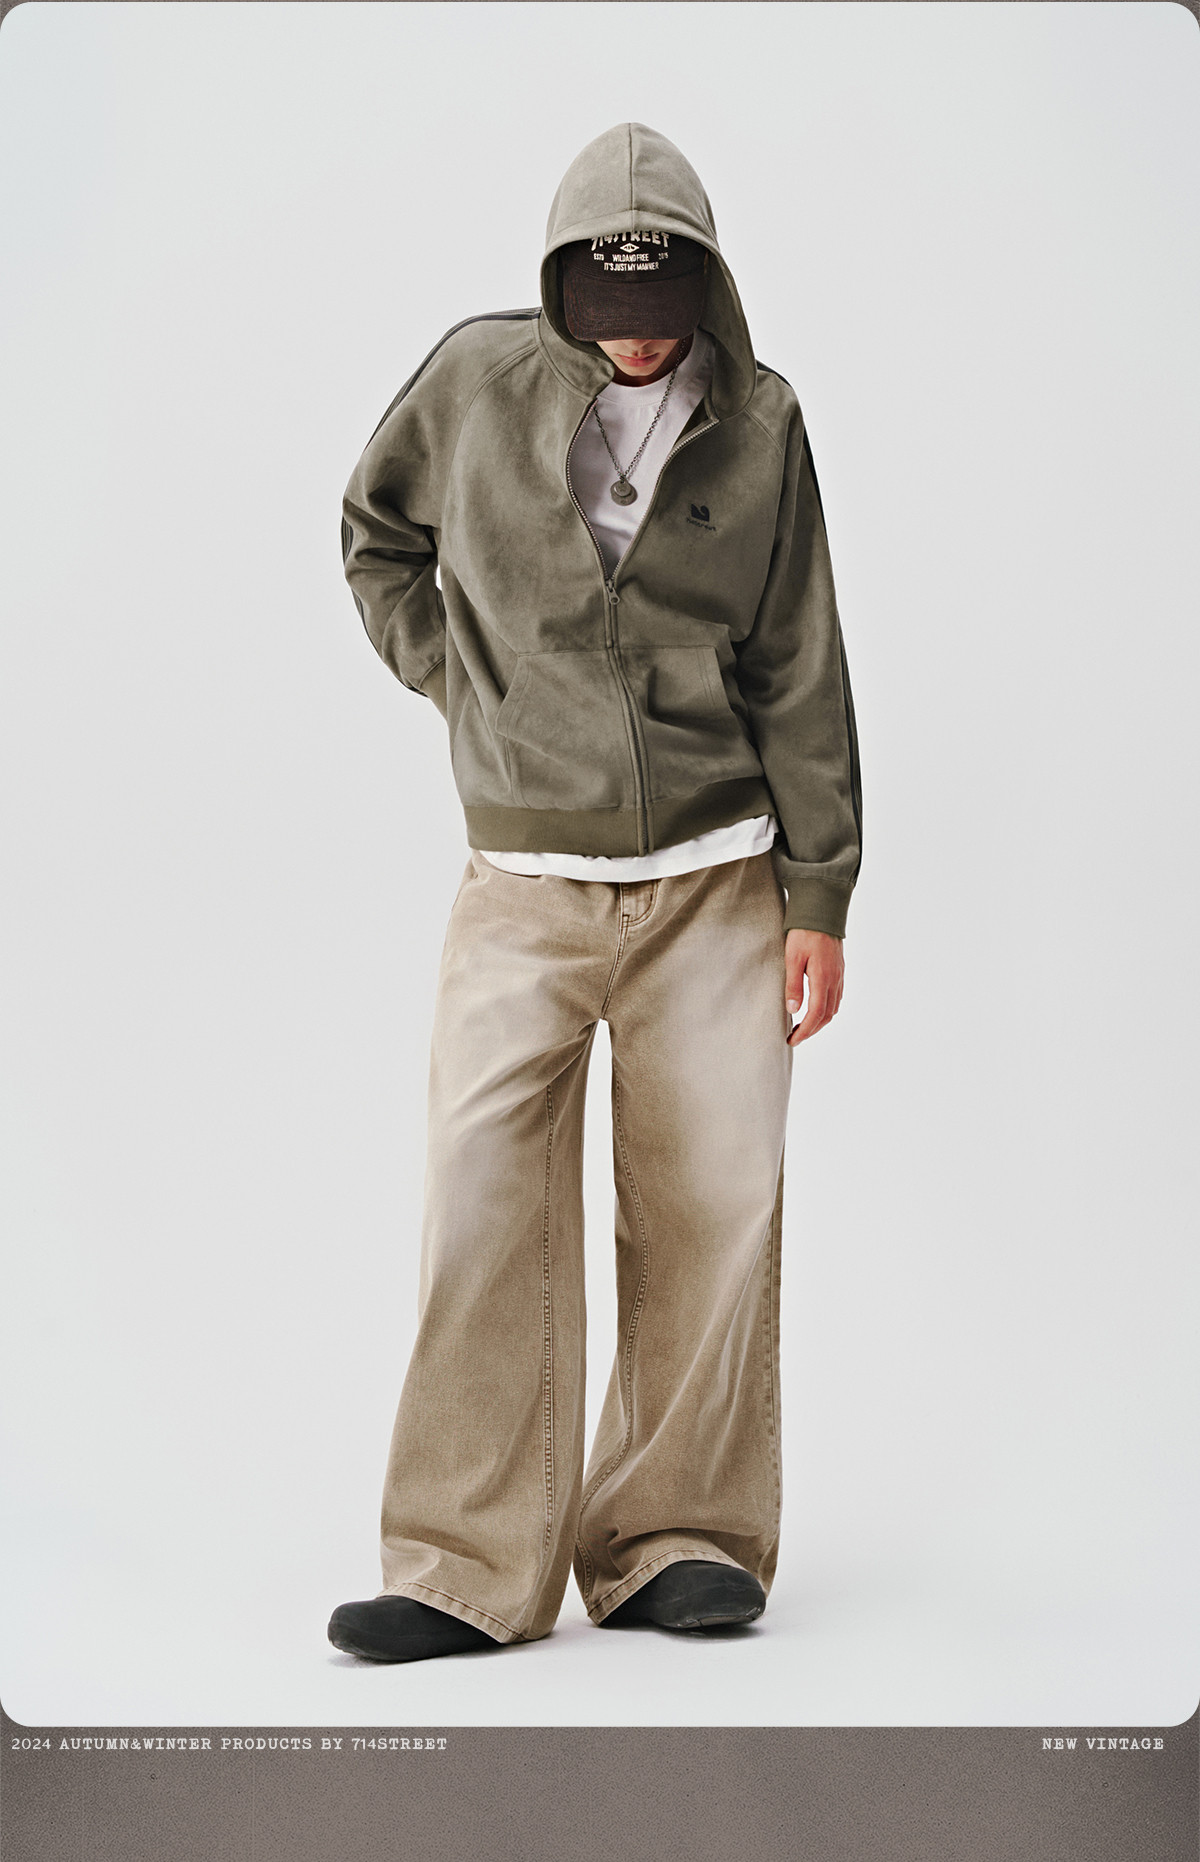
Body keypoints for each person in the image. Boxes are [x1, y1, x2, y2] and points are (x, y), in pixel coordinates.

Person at [327, 121, 862, 1664]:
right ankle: (462, 1561)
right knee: (481, 1197)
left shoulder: (763, 423)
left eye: (663, 302)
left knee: (715, 1200)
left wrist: (820, 890)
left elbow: (800, 660)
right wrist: (464, 689)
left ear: (708, 287)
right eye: (606, 301)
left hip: (718, 876)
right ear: (559, 284)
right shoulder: (472, 384)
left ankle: (677, 1535)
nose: (636, 331)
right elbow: (377, 536)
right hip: (524, 882)